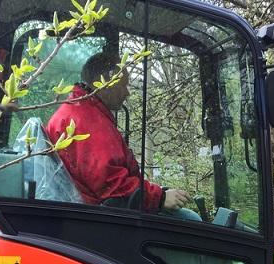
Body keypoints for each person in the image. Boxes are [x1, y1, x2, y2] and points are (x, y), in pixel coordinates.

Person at [46, 52, 192, 213]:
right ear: (104, 82)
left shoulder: (80, 110)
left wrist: (154, 192)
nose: (127, 93)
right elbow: (111, 186)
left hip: (90, 211)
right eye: (123, 85)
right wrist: (160, 198)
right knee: (188, 219)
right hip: (96, 218)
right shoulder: (88, 122)